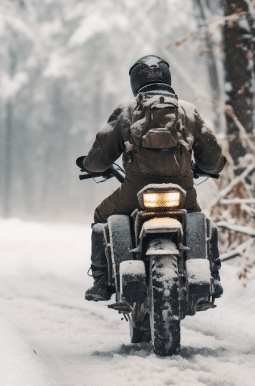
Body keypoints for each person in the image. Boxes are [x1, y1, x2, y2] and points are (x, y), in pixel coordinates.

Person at [82, 55, 226, 301]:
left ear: (135, 82)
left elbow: (98, 160)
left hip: (136, 193)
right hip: (181, 192)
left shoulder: (127, 112)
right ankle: (211, 276)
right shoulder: (188, 111)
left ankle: (101, 282)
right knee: (200, 221)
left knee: (100, 216)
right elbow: (212, 159)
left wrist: (91, 166)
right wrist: (208, 165)